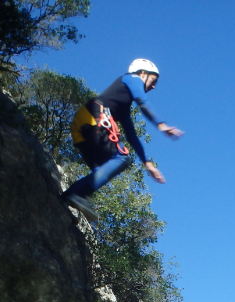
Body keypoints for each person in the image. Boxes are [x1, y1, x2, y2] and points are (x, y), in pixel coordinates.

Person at [61, 58, 184, 220]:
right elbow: (142, 101)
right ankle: (76, 194)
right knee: (121, 158)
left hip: (81, 127)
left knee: (103, 167)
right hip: (93, 117)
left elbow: (132, 135)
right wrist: (161, 124)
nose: (153, 87)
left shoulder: (123, 107)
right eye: (153, 81)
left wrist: (148, 164)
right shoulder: (131, 78)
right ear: (142, 73)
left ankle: (66, 198)